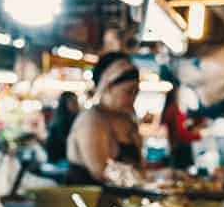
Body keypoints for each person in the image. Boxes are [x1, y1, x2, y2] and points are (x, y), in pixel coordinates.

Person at [65, 52, 143, 184]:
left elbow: (140, 167)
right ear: (107, 87)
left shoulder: (128, 121)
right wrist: (146, 179)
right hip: (90, 202)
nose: (133, 98)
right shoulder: (92, 120)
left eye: (136, 92)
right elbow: (101, 172)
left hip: (124, 201)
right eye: (128, 91)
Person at [160, 76, 202, 170]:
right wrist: (197, 135)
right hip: (179, 150)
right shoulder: (173, 110)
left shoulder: (173, 109)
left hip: (176, 149)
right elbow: (181, 134)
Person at [45, 91, 79, 163]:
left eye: (76, 101)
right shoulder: (59, 122)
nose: (76, 104)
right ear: (64, 104)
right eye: (73, 102)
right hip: (60, 161)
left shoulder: (76, 118)